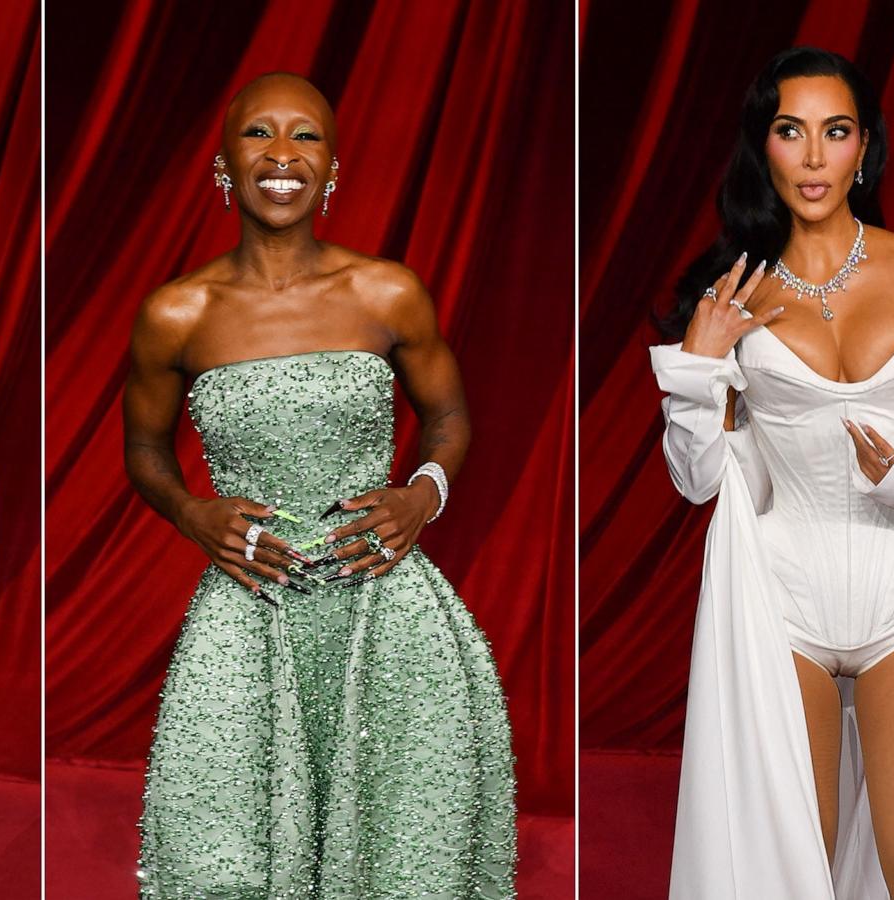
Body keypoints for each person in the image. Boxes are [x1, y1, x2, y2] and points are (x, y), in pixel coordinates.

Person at [122, 72, 516, 898]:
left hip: (383, 610)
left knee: (399, 849)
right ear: (224, 162)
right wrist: (193, 512)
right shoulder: (177, 313)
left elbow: (450, 419)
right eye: (258, 133)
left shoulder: (385, 291)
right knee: (223, 849)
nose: (281, 155)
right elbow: (145, 452)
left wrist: (423, 494)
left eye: (305, 136)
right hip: (249, 609)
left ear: (332, 166)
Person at [649, 47, 894, 898]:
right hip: (783, 600)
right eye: (791, 132)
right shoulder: (732, 295)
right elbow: (697, 480)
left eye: (834, 132)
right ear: (762, 147)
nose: (813, 158)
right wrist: (698, 373)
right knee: (788, 876)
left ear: (864, 147)